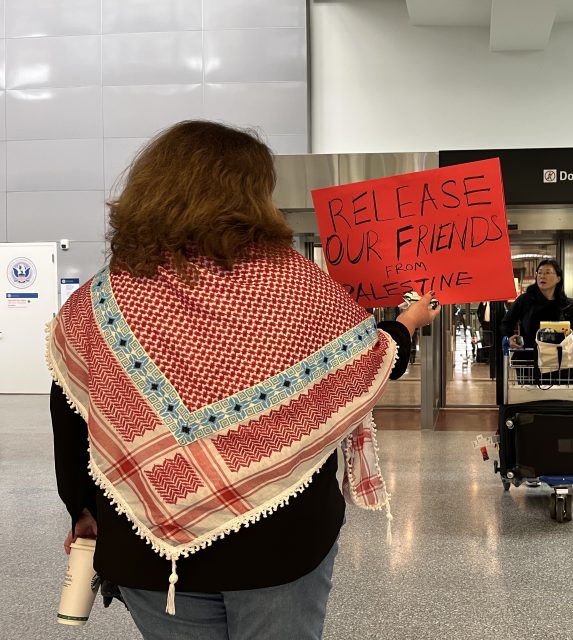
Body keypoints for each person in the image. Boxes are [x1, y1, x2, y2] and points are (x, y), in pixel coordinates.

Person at [48, 120, 440, 640]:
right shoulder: (300, 286)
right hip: (279, 546)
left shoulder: (98, 302)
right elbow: (371, 360)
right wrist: (409, 323)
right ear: (252, 195)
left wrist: (83, 510)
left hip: (148, 553)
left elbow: (71, 418)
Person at [500, 258, 573, 382]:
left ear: (558, 278)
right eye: (540, 272)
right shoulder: (525, 300)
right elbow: (506, 323)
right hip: (530, 360)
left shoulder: (566, 304)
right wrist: (509, 338)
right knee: (531, 398)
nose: (542, 276)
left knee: (559, 398)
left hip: (560, 361)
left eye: (547, 272)